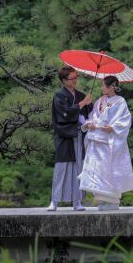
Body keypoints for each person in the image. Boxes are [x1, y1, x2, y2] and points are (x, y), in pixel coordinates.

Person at [78, 75, 133, 211]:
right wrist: (90, 123)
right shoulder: (99, 101)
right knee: (97, 171)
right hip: (97, 140)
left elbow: (125, 119)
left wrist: (113, 127)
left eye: (104, 85)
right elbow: (93, 117)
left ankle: (113, 201)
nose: (101, 87)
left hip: (110, 142)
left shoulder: (120, 101)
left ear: (111, 87)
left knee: (109, 170)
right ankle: (103, 199)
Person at [49, 66, 92, 211]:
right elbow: (64, 114)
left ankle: (77, 201)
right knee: (62, 167)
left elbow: (89, 115)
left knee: (79, 167)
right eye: (71, 79)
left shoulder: (81, 95)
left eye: (76, 77)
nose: (75, 81)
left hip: (79, 135)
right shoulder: (59, 96)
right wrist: (82, 104)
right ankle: (54, 201)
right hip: (65, 136)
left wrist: (89, 120)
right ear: (63, 81)